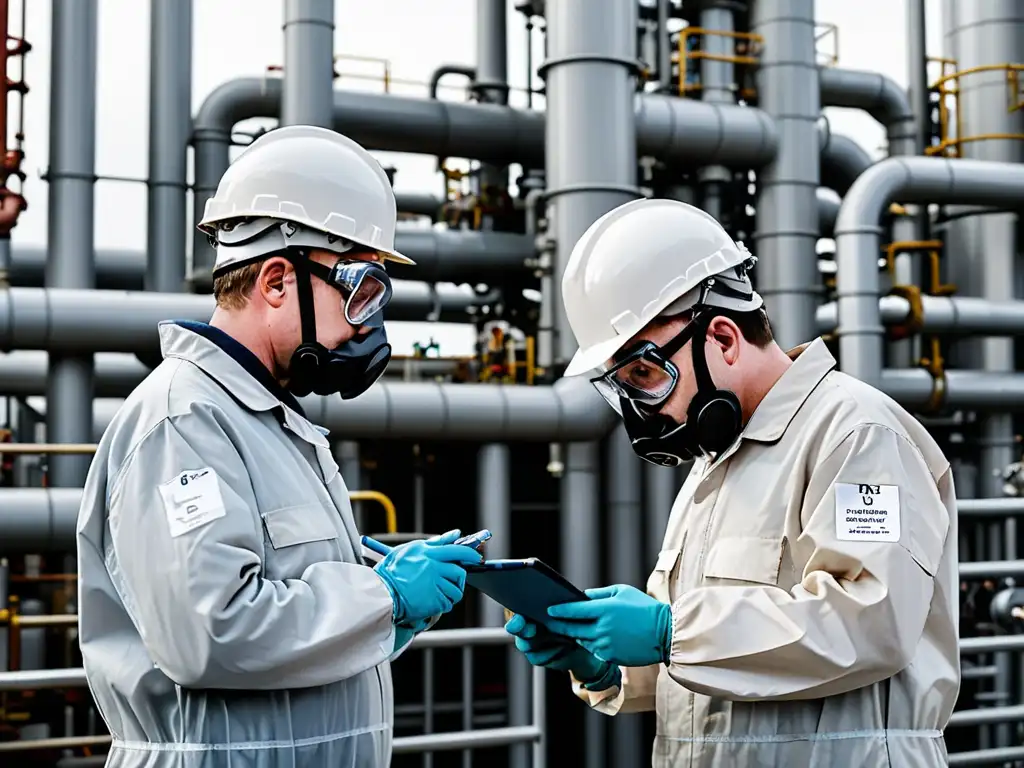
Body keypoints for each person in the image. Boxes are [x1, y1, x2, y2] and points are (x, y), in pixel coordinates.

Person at [76, 125, 483, 767]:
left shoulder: (273, 425)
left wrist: (382, 603)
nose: (365, 326)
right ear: (274, 281)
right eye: (360, 292)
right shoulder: (184, 422)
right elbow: (210, 633)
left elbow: (288, 631)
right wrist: (386, 596)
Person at [505, 199, 960, 766]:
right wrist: (601, 660)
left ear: (722, 337)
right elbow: (713, 668)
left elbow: (871, 623)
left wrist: (670, 632)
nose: (644, 410)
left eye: (645, 375)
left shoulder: (857, 433)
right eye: (623, 386)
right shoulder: (716, 463)